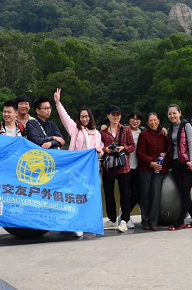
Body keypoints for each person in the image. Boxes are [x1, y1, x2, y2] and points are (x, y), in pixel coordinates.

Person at [54, 88, 103, 238]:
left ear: (90, 117)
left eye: (86, 116)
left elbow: (100, 151)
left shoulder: (97, 133)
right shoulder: (75, 130)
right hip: (76, 170)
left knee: (89, 196)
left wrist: (98, 151)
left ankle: (87, 222)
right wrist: (58, 103)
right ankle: (74, 224)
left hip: (91, 171)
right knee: (74, 195)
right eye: (82, 117)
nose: (84, 119)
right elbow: (65, 118)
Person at [0, 100, 27, 240]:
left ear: (16, 113)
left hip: (16, 172)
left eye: (9, 112)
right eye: (4, 112)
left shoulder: (22, 129)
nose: (6, 114)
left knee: (16, 200)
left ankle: (18, 226)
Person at [100, 106, 136, 233]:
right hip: (109, 167)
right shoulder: (103, 132)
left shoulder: (125, 130)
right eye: (113, 114)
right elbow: (99, 146)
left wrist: (123, 148)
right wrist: (106, 149)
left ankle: (124, 220)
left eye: (118, 114)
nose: (116, 117)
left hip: (123, 166)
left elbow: (132, 146)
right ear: (108, 116)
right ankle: (112, 219)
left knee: (125, 195)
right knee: (109, 194)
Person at [166, 104, 192, 231]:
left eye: (174, 113)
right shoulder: (169, 128)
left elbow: (191, 144)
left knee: (185, 192)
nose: (172, 116)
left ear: (180, 113)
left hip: (187, 163)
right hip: (175, 164)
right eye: (170, 114)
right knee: (183, 193)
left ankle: (180, 222)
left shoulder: (186, 126)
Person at [136, 112, 168, 231]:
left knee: (156, 195)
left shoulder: (164, 134)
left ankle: (154, 222)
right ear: (147, 123)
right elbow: (140, 153)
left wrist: (165, 154)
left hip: (159, 169)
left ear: (158, 121)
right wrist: (150, 162)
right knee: (145, 196)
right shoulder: (143, 135)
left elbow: (168, 149)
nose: (153, 122)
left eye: (155, 120)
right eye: (151, 121)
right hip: (146, 169)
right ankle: (145, 221)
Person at [125, 110, 143, 229]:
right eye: (133, 118)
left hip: (138, 168)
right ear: (129, 119)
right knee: (127, 193)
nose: (135, 121)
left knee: (137, 194)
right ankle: (125, 217)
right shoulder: (124, 131)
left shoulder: (142, 132)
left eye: (137, 119)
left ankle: (124, 213)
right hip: (126, 167)